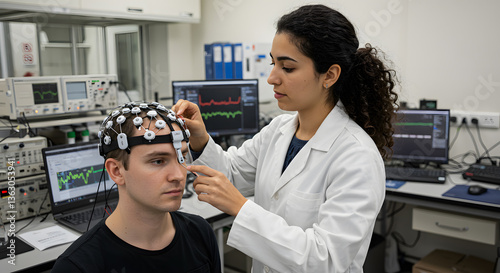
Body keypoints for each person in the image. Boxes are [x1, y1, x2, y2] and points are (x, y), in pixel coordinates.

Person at [173, 4, 399, 273]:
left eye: (287, 68)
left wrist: (242, 208)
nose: (271, 78)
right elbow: (230, 176)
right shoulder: (278, 129)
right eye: (273, 63)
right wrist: (200, 138)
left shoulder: (356, 155)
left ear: (329, 75)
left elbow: (325, 260)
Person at [51, 102, 221, 273]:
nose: (178, 175)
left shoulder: (200, 233)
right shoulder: (76, 267)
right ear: (116, 171)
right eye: (158, 161)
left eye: (182, 157)